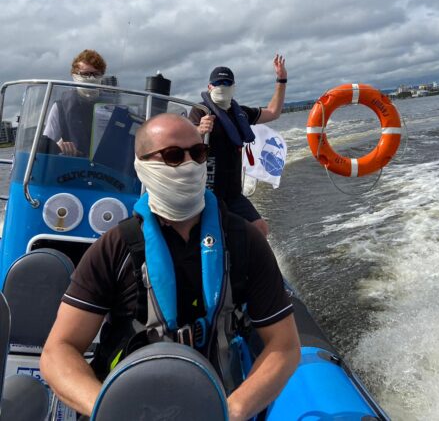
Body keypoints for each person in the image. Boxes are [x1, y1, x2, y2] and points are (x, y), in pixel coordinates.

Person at [40, 113, 300, 421]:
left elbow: (284, 345)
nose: (190, 164)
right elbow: (59, 350)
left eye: (198, 153)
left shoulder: (244, 241)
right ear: (143, 166)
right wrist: (106, 406)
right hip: (127, 407)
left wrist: (234, 409)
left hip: (217, 404)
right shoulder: (114, 248)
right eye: (174, 156)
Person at [189, 54, 288, 237]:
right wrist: (199, 130)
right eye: (218, 83)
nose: (222, 87)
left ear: (233, 87)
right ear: (209, 87)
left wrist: (281, 79)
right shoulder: (199, 111)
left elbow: (273, 112)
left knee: (260, 229)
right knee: (214, 236)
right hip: (207, 193)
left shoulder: (240, 113)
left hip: (233, 193)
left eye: (227, 83)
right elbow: (185, 141)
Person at [43, 49, 107, 156]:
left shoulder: (113, 106)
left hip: (108, 167)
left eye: (96, 74)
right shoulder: (60, 107)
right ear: (74, 75)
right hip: (74, 167)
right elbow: (47, 143)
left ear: (102, 76)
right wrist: (60, 147)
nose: (91, 78)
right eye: (85, 74)